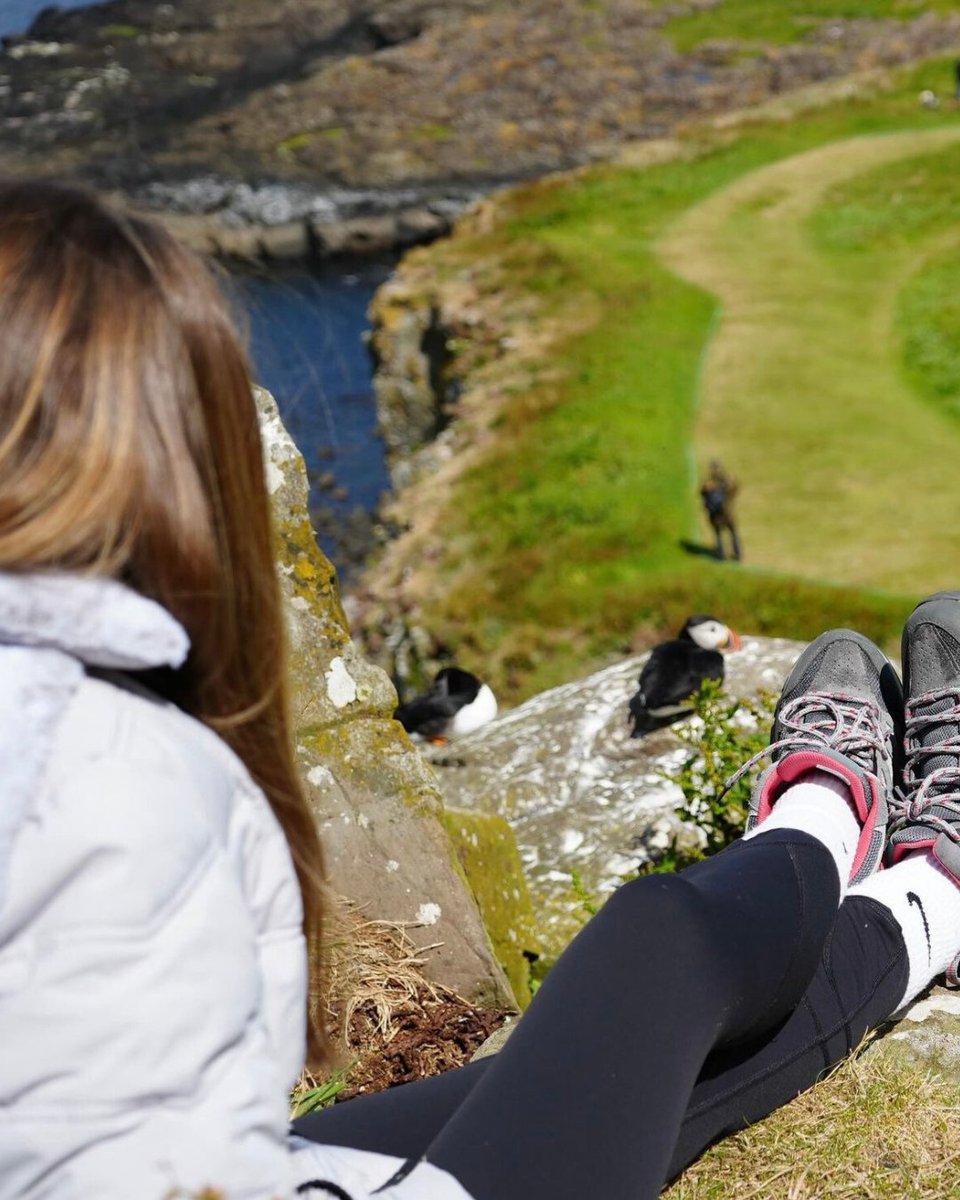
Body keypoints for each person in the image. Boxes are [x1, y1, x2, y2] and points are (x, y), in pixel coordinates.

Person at [2, 180, 960, 1200]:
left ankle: (904, 888)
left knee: (581, 1077)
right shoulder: (95, 759)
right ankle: (862, 846)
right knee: (658, 946)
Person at [700, 459, 742, 561]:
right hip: (725, 513)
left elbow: (703, 495)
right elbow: (733, 492)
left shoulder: (708, 484)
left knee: (720, 534)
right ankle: (735, 554)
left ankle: (721, 555)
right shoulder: (723, 482)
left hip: (717, 514)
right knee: (730, 533)